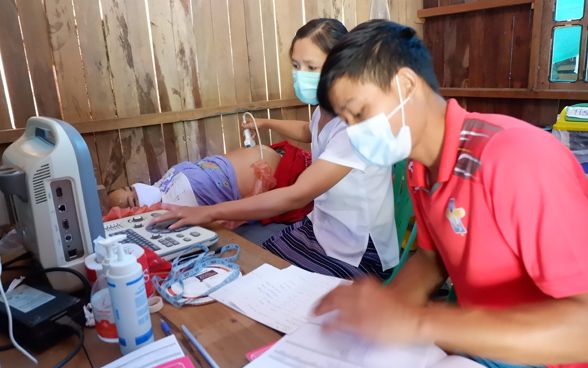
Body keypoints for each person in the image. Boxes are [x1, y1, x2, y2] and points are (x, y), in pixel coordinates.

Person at [313, 20, 588, 368]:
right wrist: (379, 314)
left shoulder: (516, 157)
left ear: (406, 85)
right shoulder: (418, 168)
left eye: (360, 113)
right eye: (346, 121)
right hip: (483, 344)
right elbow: (433, 259)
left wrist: (419, 322)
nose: (354, 133)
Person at [151, 18, 399, 280]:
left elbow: (296, 195)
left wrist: (209, 211)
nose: (301, 74)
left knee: (265, 279)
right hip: (321, 227)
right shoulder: (327, 108)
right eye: (296, 65)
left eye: (311, 67)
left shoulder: (358, 125)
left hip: (359, 249)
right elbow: (309, 131)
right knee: (252, 267)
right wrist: (266, 122)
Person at [107, 142, 313, 225]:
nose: (135, 190)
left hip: (281, 157)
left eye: (128, 187)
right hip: (281, 176)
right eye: (132, 200)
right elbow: (216, 219)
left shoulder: (161, 184)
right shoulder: (171, 208)